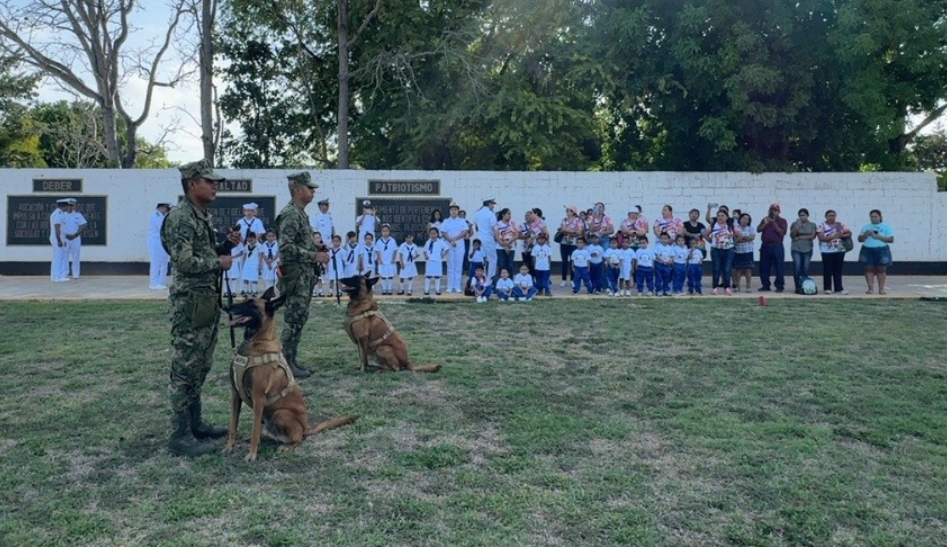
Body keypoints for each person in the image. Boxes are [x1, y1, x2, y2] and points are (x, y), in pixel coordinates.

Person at [161, 159, 240, 457]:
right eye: (209, 180)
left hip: (205, 301)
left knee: (200, 365)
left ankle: (195, 424)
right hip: (190, 304)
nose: (215, 184)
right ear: (192, 183)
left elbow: (202, 254)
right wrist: (217, 262)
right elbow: (183, 262)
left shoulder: (200, 215)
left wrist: (224, 247)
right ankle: (179, 435)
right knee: (185, 368)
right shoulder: (181, 217)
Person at [274, 171, 330, 380]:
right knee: (293, 319)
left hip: (303, 276)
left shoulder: (299, 213)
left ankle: (291, 360)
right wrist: (314, 255)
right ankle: (285, 363)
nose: (313, 191)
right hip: (295, 276)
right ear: (298, 189)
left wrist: (315, 245)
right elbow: (286, 248)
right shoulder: (290, 214)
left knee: (299, 318)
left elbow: (298, 242)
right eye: (309, 188)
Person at [858, 209, 894, 295]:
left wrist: (877, 236)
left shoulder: (886, 227)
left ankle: (881, 289)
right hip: (867, 249)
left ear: (880, 217)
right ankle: (870, 288)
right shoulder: (866, 227)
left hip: (881, 249)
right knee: (868, 268)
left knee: (881, 269)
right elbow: (859, 239)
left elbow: (891, 239)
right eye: (871, 217)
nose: (873, 218)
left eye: (875, 216)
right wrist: (865, 235)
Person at [817, 209, 851, 295]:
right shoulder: (821, 225)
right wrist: (833, 237)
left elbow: (849, 233)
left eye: (833, 215)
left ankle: (838, 288)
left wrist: (841, 235)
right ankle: (827, 288)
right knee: (827, 269)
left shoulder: (840, 225)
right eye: (830, 216)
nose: (832, 217)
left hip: (839, 250)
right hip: (827, 251)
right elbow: (821, 238)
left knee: (838, 270)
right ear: (826, 216)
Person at [440, 202, 470, 293]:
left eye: (456, 209)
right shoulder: (446, 221)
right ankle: (450, 286)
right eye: (452, 209)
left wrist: (455, 239)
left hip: (459, 245)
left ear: (458, 211)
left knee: (458, 266)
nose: (454, 211)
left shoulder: (462, 221)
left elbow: (464, 232)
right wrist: (450, 240)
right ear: (449, 211)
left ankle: (457, 286)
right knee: (450, 266)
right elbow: (444, 232)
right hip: (449, 245)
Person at [757, 203, 787, 293]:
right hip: (765, 245)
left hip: (777, 245)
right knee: (764, 266)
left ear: (779, 212)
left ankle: (779, 286)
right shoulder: (765, 219)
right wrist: (764, 224)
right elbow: (758, 229)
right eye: (771, 210)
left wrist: (773, 223)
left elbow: (782, 232)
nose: (773, 212)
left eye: (775, 210)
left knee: (779, 266)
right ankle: (765, 285)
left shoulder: (782, 221)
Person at [703, 210, 734, 296]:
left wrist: (732, 242)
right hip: (716, 250)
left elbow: (738, 235)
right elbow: (705, 234)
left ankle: (727, 287)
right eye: (718, 215)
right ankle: (715, 287)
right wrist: (711, 242)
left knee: (727, 269)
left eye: (722, 215)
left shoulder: (730, 226)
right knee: (716, 269)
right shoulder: (713, 226)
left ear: (727, 217)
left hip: (728, 250)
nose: (720, 217)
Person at [789, 208, 818, 294]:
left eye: (804, 215)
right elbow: (792, 236)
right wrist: (797, 228)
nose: (802, 217)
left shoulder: (812, 225)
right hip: (796, 248)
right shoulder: (795, 224)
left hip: (807, 248)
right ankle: (797, 286)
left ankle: (804, 285)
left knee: (805, 268)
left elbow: (812, 236)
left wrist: (800, 237)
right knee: (797, 267)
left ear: (807, 216)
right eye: (800, 215)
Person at [558, 205, 584, 287]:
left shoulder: (578, 220)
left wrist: (568, 231)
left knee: (573, 262)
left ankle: (573, 279)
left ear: (573, 212)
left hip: (573, 244)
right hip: (564, 243)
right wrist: (573, 231)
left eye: (569, 210)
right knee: (564, 262)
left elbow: (579, 232)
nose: (567, 212)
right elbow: (563, 230)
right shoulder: (564, 220)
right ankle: (563, 279)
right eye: (567, 210)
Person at [473, 198, 498, 280]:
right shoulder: (491, 214)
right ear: (489, 203)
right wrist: (498, 239)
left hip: (479, 237)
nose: (493, 206)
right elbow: (495, 228)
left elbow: (474, 226)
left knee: (481, 258)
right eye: (492, 204)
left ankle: (480, 278)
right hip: (488, 237)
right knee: (492, 259)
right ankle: (490, 279)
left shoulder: (477, 213)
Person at [62, 198, 87, 279]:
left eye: (72, 205)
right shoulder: (63, 215)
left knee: (75, 256)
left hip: (75, 238)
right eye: (69, 205)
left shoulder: (78, 215)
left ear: (74, 206)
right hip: (65, 238)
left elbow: (83, 225)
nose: (70, 207)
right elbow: (59, 226)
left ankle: (75, 274)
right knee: (65, 256)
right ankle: (65, 273)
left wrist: (76, 234)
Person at [149, 202, 172, 290]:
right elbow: (163, 228)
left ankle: (160, 282)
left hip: (161, 241)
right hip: (156, 241)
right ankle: (154, 283)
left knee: (163, 262)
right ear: (162, 207)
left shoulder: (162, 216)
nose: (167, 211)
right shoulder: (156, 216)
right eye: (166, 209)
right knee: (156, 262)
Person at [493, 208, 519, 282]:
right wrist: (503, 245)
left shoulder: (513, 224)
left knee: (510, 266)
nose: (509, 216)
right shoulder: (497, 224)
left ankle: (510, 282)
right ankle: (500, 283)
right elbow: (496, 236)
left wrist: (508, 242)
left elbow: (516, 235)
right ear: (503, 215)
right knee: (502, 265)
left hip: (511, 247)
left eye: (510, 214)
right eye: (508, 214)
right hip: (500, 248)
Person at [422, 226, 449, 295]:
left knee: (437, 276)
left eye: (434, 233)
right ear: (429, 234)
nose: (433, 235)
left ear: (437, 234)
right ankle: (426, 290)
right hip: (429, 261)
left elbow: (447, 248)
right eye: (431, 233)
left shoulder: (440, 242)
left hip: (437, 261)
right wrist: (425, 256)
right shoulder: (428, 242)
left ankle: (437, 290)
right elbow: (424, 250)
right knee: (428, 276)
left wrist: (442, 255)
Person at [733, 213, 756, 292]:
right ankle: (737, 286)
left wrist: (742, 237)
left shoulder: (750, 228)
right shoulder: (736, 228)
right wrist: (744, 238)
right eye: (743, 218)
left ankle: (748, 286)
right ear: (740, 219)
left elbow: (751, 238)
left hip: (748, 251)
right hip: (738, 251)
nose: (745, 220)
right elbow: (735, 239)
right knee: (738, 270)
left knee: (748, 269)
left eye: (747, 219)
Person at [374, 224, 399, 295]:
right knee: (383, 276)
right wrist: (379, 259)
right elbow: (377, 250)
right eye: (383, 231)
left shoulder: (392, 240)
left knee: (390, 276)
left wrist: (393, 259)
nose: (385, 232)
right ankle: (384, 289)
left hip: (390, 261)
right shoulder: (379, 241)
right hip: (383, 261)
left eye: (387, 231)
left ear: (389, 231)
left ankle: (390, 289)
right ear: (381, 232)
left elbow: (394, 250)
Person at [50, 198, 69, 282]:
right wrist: (59, 240)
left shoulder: (59, 213)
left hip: (59, 238)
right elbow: (57, 228)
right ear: (63, 206)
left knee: (58, 257)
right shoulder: (58, 215)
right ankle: (57, 277)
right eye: (67, 206)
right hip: (57, 238)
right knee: (58, 257)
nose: (68, 208)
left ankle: (57, 276)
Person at [530, 233, 553, 297]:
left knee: (545, 279)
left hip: (546, 267)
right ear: (537, 240)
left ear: (545, 240)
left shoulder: (547, 247)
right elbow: (534, 257)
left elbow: (549, 257)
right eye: (540, 239)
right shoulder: (535, 248)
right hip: (538, 267)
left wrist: (549, 265)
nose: (541, 240)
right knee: (538, 279)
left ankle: (547, 290)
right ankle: (540, 290)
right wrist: (534, 265)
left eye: (543, 239)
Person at [652, 231, 674, 296]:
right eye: (662, 238)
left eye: (665, 238)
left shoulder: (670, 247)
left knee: (667, 278)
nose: (663, 240)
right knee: (658, 277)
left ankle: (666, 290)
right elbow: (656, 255)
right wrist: (662, 260)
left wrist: (670, 261)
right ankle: (658, 290)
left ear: (668, 239)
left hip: (667, 265)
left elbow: (672, 256)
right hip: (659, 264)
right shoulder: (658, 246)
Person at [240, 231, 262, 296]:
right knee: (245, 277)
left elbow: (261, 255)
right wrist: (243, 264)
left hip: (255, 263)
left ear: (255, 239)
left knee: (254, 278)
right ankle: (245, 291)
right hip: (247, 263)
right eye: (249, 240)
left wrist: (260, 265)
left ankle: (254, 291)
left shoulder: (259, 245)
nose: (250, 242)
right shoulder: (247, 245)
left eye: (251, 240)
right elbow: (244, 255)